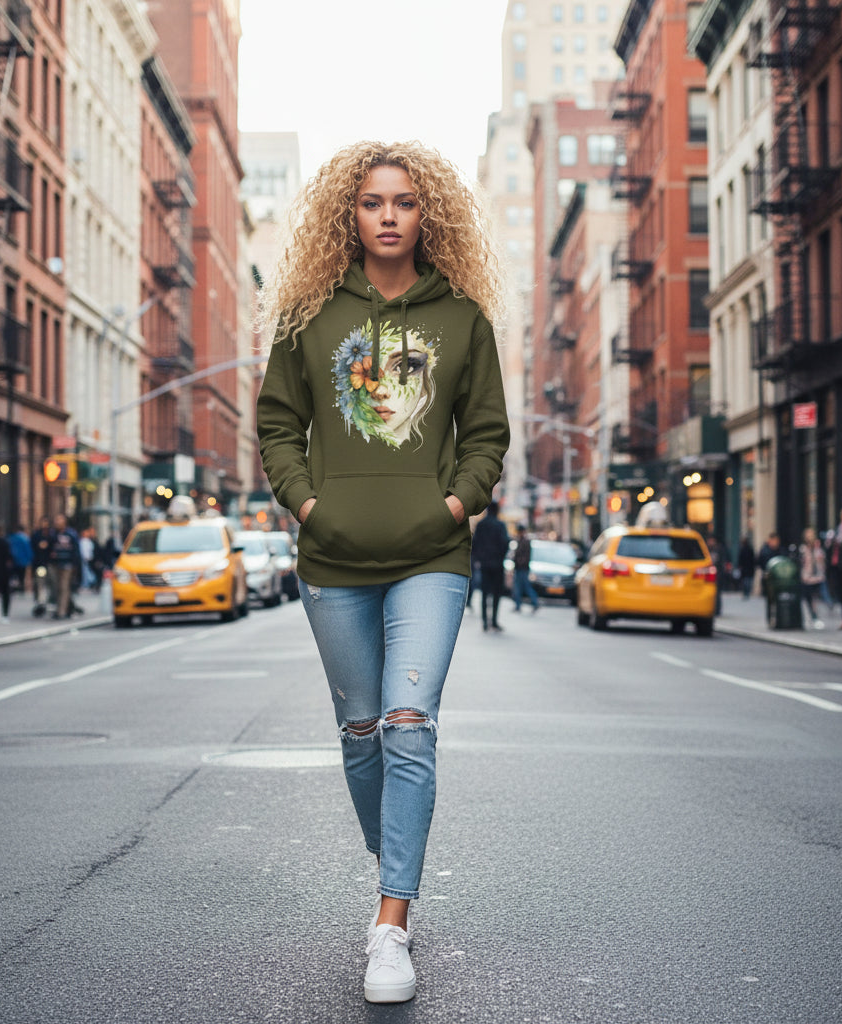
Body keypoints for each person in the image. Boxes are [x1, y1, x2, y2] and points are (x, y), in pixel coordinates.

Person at [256, 141, 508, 1003]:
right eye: (372, 202)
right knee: (362, 734)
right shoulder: (307, 313)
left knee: (409, 723)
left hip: (430, 558)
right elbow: (278, 425)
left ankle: (390, 923)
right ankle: (394, 852)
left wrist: (453, 507)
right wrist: (307, 504)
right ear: (349, 214)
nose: (390, 214)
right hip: (331, 556)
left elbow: (485, 436)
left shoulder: (463, 319)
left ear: (425, 213)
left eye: (404, 201)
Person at [472, 501, 510, 632]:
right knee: (496, 593)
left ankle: (484, 621)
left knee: (484, 592)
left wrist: (478, 559)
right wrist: (501, 557)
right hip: (497, 564)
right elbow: (505, 542)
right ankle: (493, 620)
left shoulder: (481, 525)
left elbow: (475, 543)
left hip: (484, 564)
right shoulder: (500, 525)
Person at [48, 514, 82, 619]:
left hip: (67, 564)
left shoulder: (71, 534)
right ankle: (66, 608)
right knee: (56, 587)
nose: (57, 522)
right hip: (55, 564)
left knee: (64, 588)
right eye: (56, 520)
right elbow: (49, 547)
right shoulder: (53, 534)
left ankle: (61, 611)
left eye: (59, 520)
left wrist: (75, 564)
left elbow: (76, 550)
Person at [799, 527, 828, 629]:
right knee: (809, 599)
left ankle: (817, 617)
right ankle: (813, 617)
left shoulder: (818, 548)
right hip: (807, 578)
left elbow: (822, 561)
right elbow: (802, 563)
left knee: (819, 598)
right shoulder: (803, 549)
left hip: (818, 577)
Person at [511, 523, 539, 613]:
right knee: (519, 587)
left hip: (522, 568)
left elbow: (525, 556)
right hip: (520, 568)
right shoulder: (520, 541)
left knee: (524, 587)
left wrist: (519, 561)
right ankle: (518, 605)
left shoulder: (525, 542)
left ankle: (534, 602)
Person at [8, 523, 33, 593]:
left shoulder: (11, 538)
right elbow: (28, 550)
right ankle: (20, 587)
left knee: (13, 575)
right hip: (23, 561)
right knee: (21, 575)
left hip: (13, 560)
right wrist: (30, 559)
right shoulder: (25, 538)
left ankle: (14, 587)